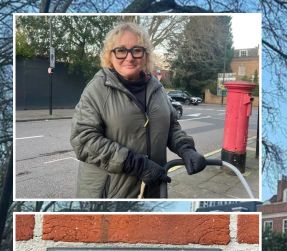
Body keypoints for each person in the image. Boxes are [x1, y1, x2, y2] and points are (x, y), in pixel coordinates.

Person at [70, 22, 207, 198]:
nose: (129, 57)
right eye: (120, 50)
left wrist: (186, 148)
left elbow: (171, 125)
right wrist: (136, 164)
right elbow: (83, 139)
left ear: (145, 54)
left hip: (152, 191)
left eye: (136, 50)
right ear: (110, 56)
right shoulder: (97, 89)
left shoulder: (157, 88)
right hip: (110, 197)